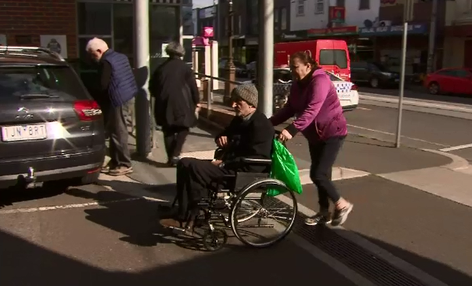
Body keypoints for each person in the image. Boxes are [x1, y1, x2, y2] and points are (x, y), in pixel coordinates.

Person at [158, 84, 275, 230]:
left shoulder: (261, 125)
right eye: (233, 101)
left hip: (241, 172)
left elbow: (255, 161)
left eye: (238, 102)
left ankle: (190, 217)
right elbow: (224, 132)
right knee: (184, 164)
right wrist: (222, 137)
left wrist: (224, 163)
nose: (233, 105)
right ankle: (183, 210)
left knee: (194, 168)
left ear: (251, 103)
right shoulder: (240, 120)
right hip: (231, 165)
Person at [269, 51, 354, 227]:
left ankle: (342, 204)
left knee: (318, 173)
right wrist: (268, 123)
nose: (292, 72)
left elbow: (312, 109)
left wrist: (291, 129)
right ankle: (324, 213)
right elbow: (290, 108)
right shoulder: (297, 84)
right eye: (291, 68)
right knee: (323, 175)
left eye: (295, 68)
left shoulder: (320, 80)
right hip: (314, 135)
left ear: (308, 66)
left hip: (332, 132)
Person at [86, 37, 137, 176]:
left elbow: (103, 85)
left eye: (92, 54)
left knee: (118, 132)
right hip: (128, 95)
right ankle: (116, 161)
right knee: (117, 130)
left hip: (117, 99)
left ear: (99, 50)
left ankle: (124, 163)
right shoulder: (120, 57)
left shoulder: (106, 61)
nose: (92, 57)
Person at [149, 42, 200, 167]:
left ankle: (171, 157)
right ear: (181, 53)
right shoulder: (185, 68)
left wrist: (161, 96)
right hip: (182, 103)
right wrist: (197, 101)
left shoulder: (160, 68)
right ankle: (175, 154)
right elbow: (193, 87)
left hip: (164, 103)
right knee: (183, 128)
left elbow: (152, 87)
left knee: (168, 130)